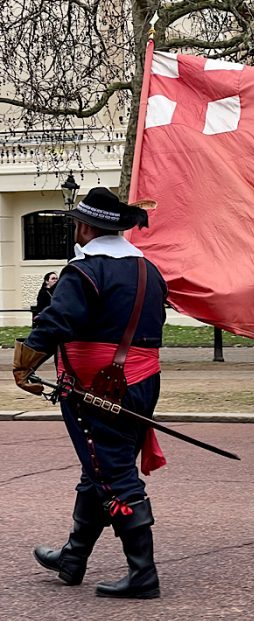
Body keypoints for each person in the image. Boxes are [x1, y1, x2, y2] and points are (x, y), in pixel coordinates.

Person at [12, 187, 168, 599]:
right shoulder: (148, 269)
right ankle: (73, 557)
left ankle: (143, 574)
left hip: (95, 387)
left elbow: (57, 321)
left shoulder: (83, 271)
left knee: (113, 474)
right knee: (97, 467)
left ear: (84, 227)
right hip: (142, 380)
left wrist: (25, 363)